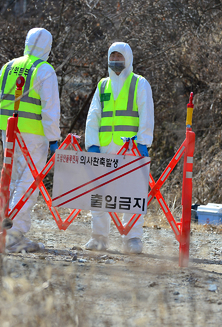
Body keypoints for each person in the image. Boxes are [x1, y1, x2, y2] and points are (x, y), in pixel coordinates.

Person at [0, 28, 60, 253]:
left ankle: (1, 230)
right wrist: (53, 138)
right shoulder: (44, 69)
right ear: (47, 46)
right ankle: (14, 235)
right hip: (34, 135)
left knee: (9, 179)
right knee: (28, 182)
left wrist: (2, 124)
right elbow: (50, 110)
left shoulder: (9, 66)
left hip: (9, 132)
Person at [84, 42, 154, 254]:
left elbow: (146, 115)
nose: (115, 60)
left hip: (130, 148)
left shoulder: (139, 83)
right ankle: (99, 237)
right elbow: (93, 116)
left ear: (128, 59)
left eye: (119, 56)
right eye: (112, 55)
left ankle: (132, 238)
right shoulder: (103, 85)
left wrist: (143, 143)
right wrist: (92, 144)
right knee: (99, 192)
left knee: (133, 193)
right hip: (105, 149)